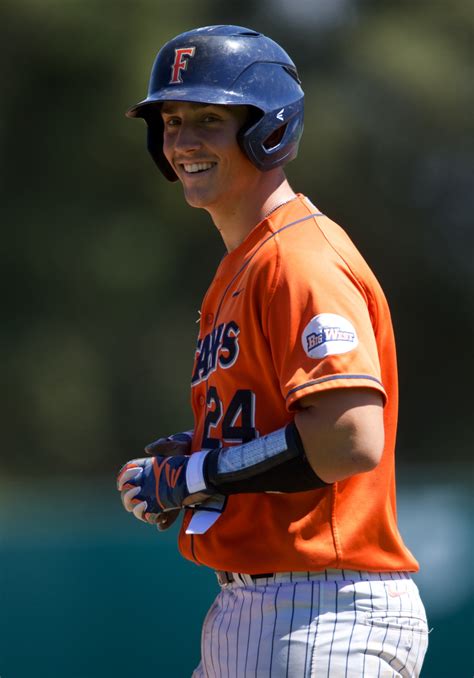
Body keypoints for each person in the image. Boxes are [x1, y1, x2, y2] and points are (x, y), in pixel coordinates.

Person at [117, 25, 429, 677]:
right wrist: (203, 453)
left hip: (320, 608)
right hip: (270, 609)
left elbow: (348, 441)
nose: (184, 141)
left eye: (209, 118)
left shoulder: (298, 259)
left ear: (269, 129)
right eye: (172, 121)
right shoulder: (247, 264)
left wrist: (198, 474)